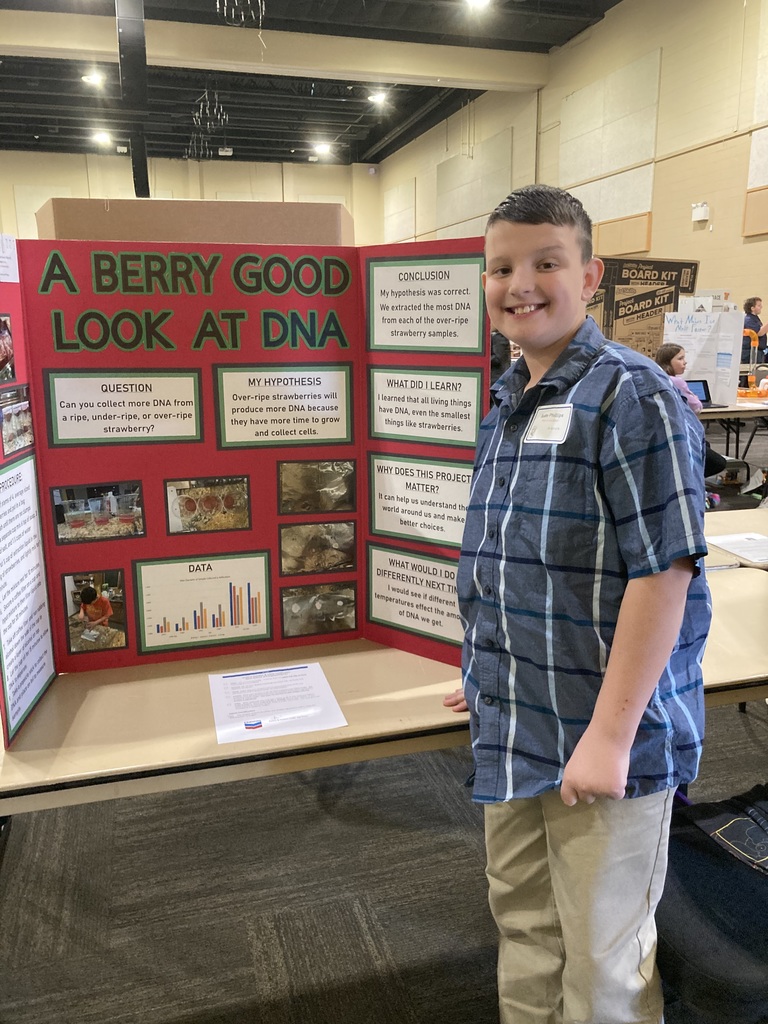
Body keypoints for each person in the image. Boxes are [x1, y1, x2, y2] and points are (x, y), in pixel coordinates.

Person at [444, 184, 711, 1024]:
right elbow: (510, 553)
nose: (520, 283)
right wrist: (484, 661)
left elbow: (663, 573)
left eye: (545, 263)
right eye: (502, 268)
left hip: (603, 742)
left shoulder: (633, 396)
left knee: (601, 957)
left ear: (589, 275)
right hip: (517, 718)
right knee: (525, 927)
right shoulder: (508, 401)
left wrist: (608, 737)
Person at [654, 343, 727, 485]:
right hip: (682, 432)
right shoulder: (677, 382)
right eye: (680, 358)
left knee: (706, 445)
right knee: (716, 462)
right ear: (668, 361)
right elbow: (697, 406)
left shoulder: (656, 377)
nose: (685, 362)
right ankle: (691, 481)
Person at [742, 297, 768, 362]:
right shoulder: (749, 320)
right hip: (750, 352)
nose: (761, 307)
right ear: (752, 308)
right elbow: (759, 333)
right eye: (759, 305)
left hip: (757, 351)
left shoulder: (755, 319)